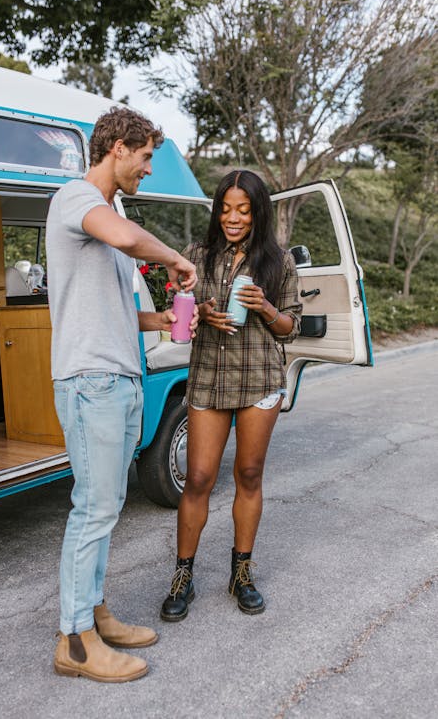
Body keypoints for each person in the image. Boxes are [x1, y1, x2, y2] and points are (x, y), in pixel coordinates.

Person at [46, 107, 198, 682]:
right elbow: (130, 239)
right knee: (95, 509)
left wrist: (158, 320)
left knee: (105, 509)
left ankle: (95, 614)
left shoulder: (105, 213)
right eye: (145, 157)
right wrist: (177, 258)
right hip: (92, 382)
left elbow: (107, 308)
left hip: (118, 377)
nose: (148, 170)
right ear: (117, 148)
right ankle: (75, 642)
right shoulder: (76, 200)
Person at [161, 169, 302, 622]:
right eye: (225, 208)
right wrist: (201, 310)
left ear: (257, 211)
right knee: (199, 477)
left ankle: (241, 573)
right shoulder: (197, 256)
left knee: (249, 473)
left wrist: (265, 307)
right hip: (209, 377)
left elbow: (291, 327)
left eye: (242, 209)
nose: (232, 218)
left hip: (260, 379)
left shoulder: (278, 261)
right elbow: (179, 308)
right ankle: (183, 576)